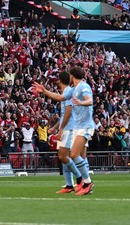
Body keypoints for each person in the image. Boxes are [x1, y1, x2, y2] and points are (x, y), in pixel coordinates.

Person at [33, 66, 94, 196]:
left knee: (71, 155)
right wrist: (44, 91)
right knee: (67, 156)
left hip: (78, 127)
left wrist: (82, 103)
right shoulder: (72, 90)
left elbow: (86, 102)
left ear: (72, 76)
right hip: (75, 127)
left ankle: (83, 181)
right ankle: (76, 183)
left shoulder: (83, 87)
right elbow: (60, 98)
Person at [47, 71, 83, 194]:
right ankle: (69, 185)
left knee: (63, 156)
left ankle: (80, 179)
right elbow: (64, 115)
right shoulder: (66, 92)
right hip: (66, 127)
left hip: (69, 128)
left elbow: (68, 111)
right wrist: (55, 127)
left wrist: (61, 129)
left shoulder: (68, 92)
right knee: (63, 158)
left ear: (59, 81)